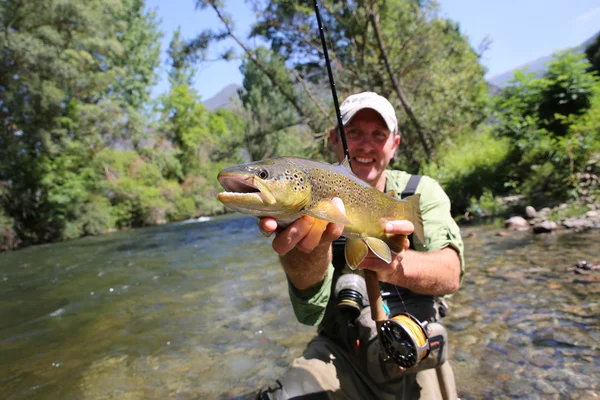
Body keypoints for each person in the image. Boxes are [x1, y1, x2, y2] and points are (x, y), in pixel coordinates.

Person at [256, 92, 464, 399]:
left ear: (395, 144)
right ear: (334, 139)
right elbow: (309, 311)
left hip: (414, 351)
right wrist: (308, 248)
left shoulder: (419, 193)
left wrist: (391, 265)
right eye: (353, 132)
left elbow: (450, 275)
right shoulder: (310, 190)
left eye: (378, 134)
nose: (365, 144)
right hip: (340, 355)